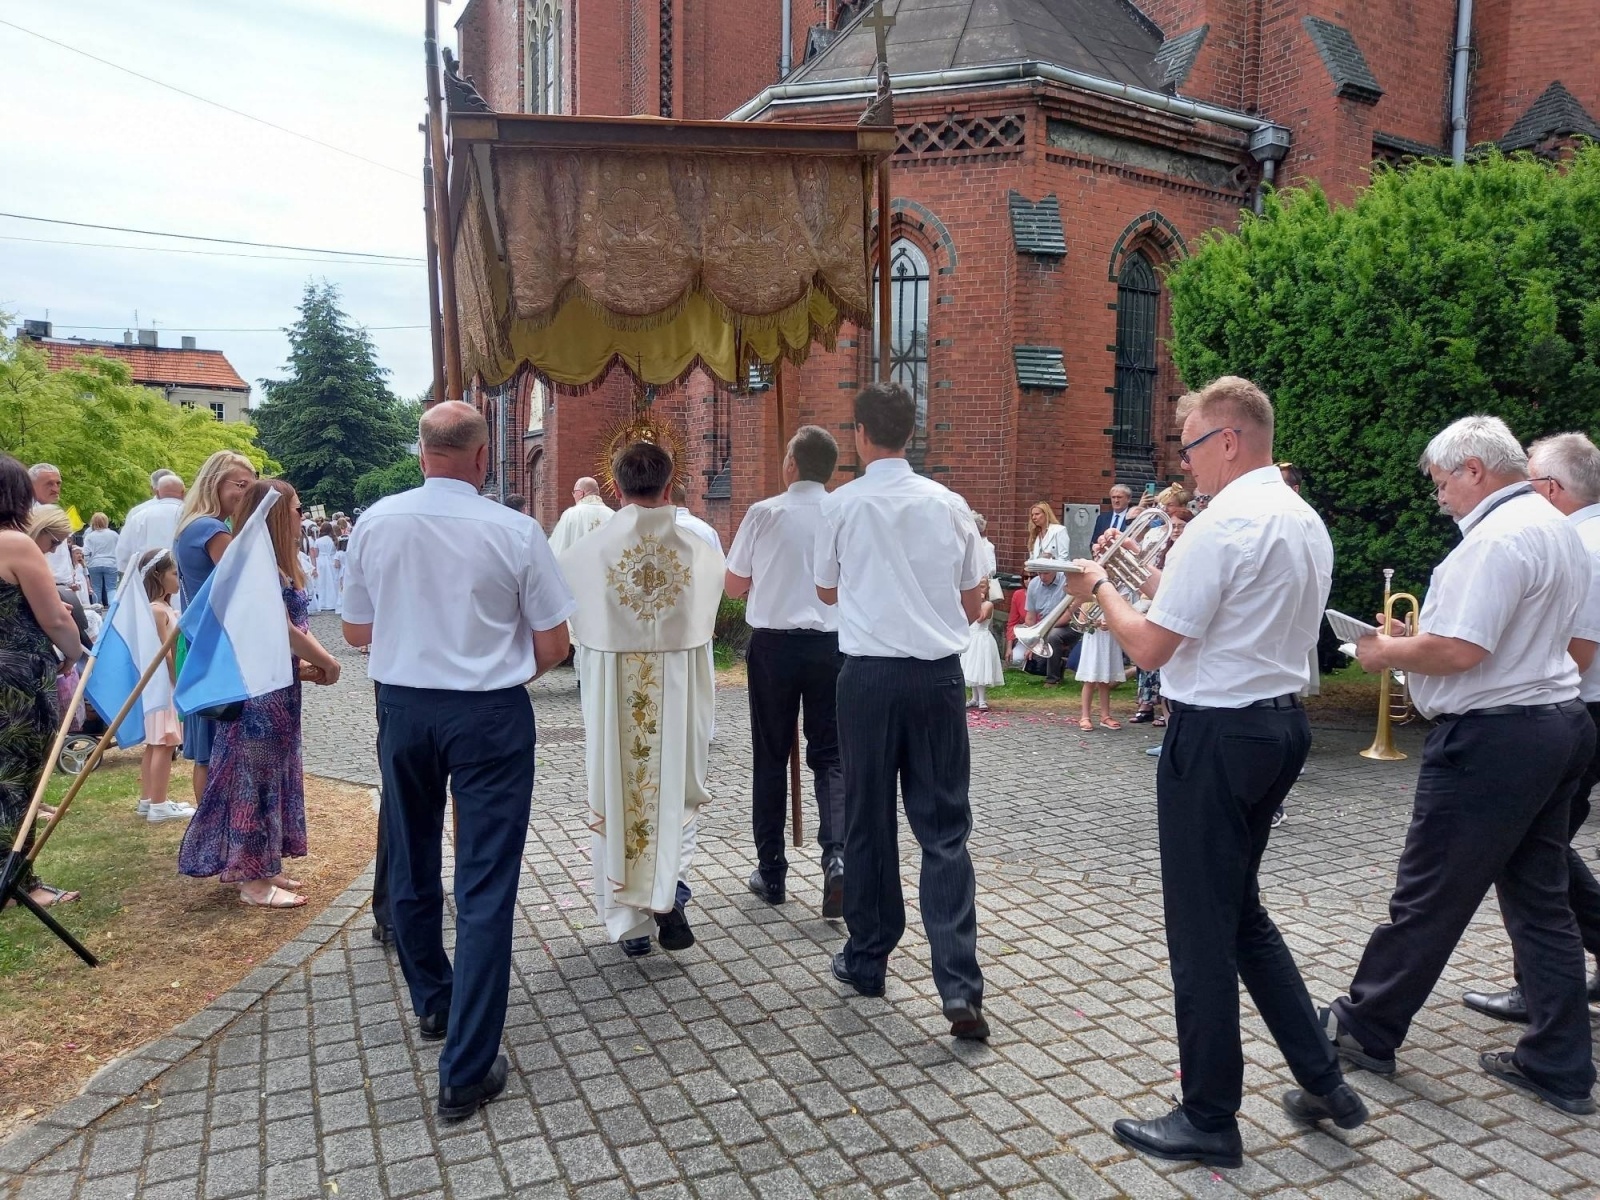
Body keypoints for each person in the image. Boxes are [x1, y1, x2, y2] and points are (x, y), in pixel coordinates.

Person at [1064, 376, 1363, 1167]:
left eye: (1192, 445)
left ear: (1227, 440)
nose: (1186, 462)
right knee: (1239, 915)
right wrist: (1138, 575)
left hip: (1219, 735)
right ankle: (1325, 1081)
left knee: (1201, 928)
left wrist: (1099, 589)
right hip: (1278, 727)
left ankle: (1208, 1115)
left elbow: (1151, 649)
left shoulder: (1220, 524)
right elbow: (1212, 612)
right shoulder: (1300, 518)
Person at [1328, 416, 1596, 1116]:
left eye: (1443, 482)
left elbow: (1460, 651)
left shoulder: (1498, 538)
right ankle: (1560, 1061)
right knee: (1541, 901)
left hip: (1495, 738)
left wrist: (1385, 651)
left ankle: (1366, 1026)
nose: (1440, 497)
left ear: (1474, 468)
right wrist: (1419, 641)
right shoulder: (1557, 528)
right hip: (1554, 722)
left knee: (1431, 893)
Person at [342, 402, 573, 1123]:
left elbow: (355, 631)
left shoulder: (375, 522)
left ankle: (435, 1001)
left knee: (411, 857)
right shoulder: (516, 530)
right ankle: (467, 1068)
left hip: (405, 706)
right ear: (482, 458)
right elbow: (554, 644)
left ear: (421, 454)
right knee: (485, 880)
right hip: (489, 714)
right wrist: (496, 669)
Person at [815, 381, 989, 1041]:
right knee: (944, 830)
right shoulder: (950, 505)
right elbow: (973, 600)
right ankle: (959, 984)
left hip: (866, 676)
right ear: (911, 434)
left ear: (860, 434)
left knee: (867, 819)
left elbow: (825, 590)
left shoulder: (840, 505)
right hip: (937, 678)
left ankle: (868, 958)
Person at [1458, 431, 1600, 1024]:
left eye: (1530, 481)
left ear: (1552, 488)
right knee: (1541, 854)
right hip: (1575, 712)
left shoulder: (1578, 542)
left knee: (1533, 861)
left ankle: (1542, 998)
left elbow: (1577, 653)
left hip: (1566, 709)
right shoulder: (1580, 536)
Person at [560, 442, 722, 957]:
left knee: (619, 790)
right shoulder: (699, 544)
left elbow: (573, 622)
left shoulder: (588, 550)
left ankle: (629, 924)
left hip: (614, 695)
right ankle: (670, 892)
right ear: (670, 485)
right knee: (670, 790)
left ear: (615, 486)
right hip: (677, 689)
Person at [179, 480, 342, 907]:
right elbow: (281, 629)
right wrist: (329, 662)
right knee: (252, 782)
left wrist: (307, 667)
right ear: (277, 514)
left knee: (271, 779)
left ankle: (265, 866)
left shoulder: (273, 563)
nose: (301, 516)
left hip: (278, 689)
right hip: (259, 697)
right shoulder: (254, 565)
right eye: (297, 509)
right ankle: (252, 882)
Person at [725, 425, 846, 917]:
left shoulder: (764, 513)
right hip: (831, 645)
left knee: (771, 756)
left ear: (791, 464)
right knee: (831, 756)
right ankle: (837, 858)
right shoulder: (843, 511)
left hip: (774, 647)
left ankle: (772, 871)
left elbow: (733, 586)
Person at [0, 457, 86, 910]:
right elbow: (55, 618)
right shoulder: (15, 543)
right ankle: (17, 882)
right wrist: (73, 653)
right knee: (17, 776)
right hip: (15, 679)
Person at [175, 451, 259, 805]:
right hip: (218, 651)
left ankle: (208, 825)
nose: (247, 492)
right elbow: (243, 585)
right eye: (241, 484)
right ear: (215, 483)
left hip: (200, 647)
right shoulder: (211, 529)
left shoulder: (192, 525)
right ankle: (214, 826)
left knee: (207, 751)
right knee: (216, 749)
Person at [134, 549, 192, 823]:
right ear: (158, 575)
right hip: (164, 686)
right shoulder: (157, 610)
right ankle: (159, 803)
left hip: (158, 686)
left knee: (155, 743)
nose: (178, 578)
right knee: (164, 743)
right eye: (173, 573)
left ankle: (148, 799)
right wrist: (178, 682)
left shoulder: (163, 608)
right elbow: (166, 652)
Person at [118, 473, 186, 578]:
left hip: (146, 578)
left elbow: (123, 552)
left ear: (157, 493)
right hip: (183, 576)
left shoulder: (138, 515)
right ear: (183, 493)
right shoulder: (191, 514)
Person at [1021, 569, 1073, 684]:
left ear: (1055, 570)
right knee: (1031, 660)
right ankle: (1058, 664)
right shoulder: (1034, 584)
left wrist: (1044, 633)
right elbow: (1030, 617)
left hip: (1070, 624)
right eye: (1039, 573)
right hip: (1045, 625)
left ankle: (1052, 679)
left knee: (1053, 636)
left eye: (1046, 573)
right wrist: (1032, 643)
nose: (1042, 577)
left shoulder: (1067, 580)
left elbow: (1068, 615)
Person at [1074, 607, 1122, 731]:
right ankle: (1085, 716)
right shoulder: (1088, 602)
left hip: (1110, 640)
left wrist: (1111, 624)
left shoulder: (1114, 600)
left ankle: (1105, 716)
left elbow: (1122, 619)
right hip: (1093, 641)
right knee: (1090, 680)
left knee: (1105, 681)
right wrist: (1093, 624)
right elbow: (1080, 624)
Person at [28, 464, 73, 586]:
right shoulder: (26, 515)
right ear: (30, 486)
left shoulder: (53, 512)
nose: (55, 489)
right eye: (49, 484)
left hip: (62, 584)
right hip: (44, 584)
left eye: (58, 483)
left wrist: (70, 577)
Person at [547, 477, 615, 555]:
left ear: (580, 493)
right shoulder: (612, 514)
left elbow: (555, 548)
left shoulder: (570, 514)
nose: (574, 495)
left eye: (574, 492)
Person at [961, 598, 1003, 712]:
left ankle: (982, 699)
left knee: (980, 667)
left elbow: (980, 619)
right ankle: (974, 698)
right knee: (972, 668)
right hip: (972, 638)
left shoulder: (987, 604)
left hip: (982, 639)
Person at [82, 514, 119, 607]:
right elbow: (120, 549)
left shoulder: (90, 536)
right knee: (111, 588)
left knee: (96, 587)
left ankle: (97, 606)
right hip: (111, 563)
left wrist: (87, 562)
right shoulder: (114, 535)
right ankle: (112, 607)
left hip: (94, 563)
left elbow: (86, 552)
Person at [311, 522, 340, 613]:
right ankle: (334, 601)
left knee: (322, 582)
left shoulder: (318, 541)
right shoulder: (334, 540)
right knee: (333, 582)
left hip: (322, 562)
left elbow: (315, 554)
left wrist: (314, 566)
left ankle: (323, 602)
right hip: (332, 560)